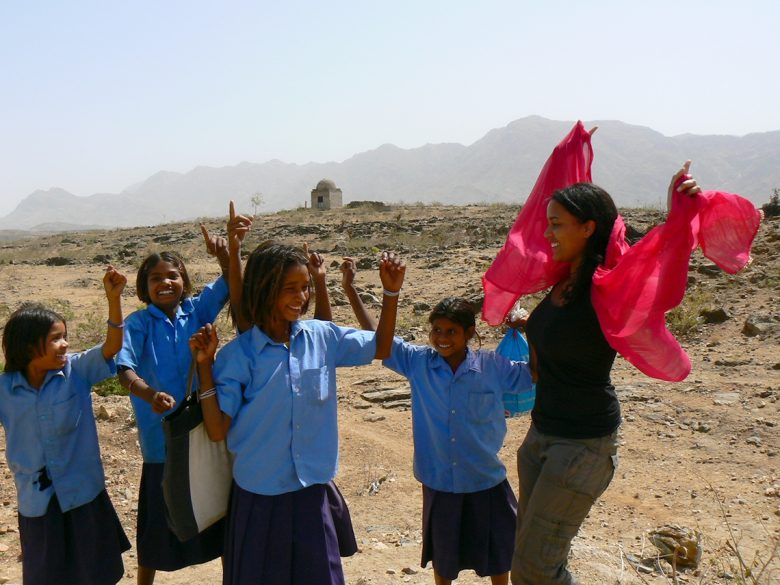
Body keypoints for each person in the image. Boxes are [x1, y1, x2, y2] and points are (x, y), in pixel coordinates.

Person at [481, 122, 759, 584]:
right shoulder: (560, 279)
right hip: (541, 438)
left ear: (588, 228)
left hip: (583, 446)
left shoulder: (609, 287)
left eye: (557, 224)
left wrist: (681, 211)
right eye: (547, 222)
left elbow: (661, 259)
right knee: (535, 559)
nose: (546, 232)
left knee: (533, 569)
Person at [188, 241, 405, 585]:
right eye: (290, 288)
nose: (301, 297)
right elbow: (217, 430)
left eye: (305, 287)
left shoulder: (322, 337)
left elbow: (381, 346)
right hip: (260, 498)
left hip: (311, 494)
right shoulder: (239, 356)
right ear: (263, 288)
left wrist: (390, 294)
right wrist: (204, 367)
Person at [340, 259, 533, 585]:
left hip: (485, 481)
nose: (442, 338)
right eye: (436, 331)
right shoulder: (418, 364)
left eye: (451, 332)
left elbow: (536, 374)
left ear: (469, 333)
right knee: (444, 565)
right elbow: (380, 341)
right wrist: (357, 291)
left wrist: (536, 328)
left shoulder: (493, 367)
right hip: (440, 484)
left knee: (498, 561)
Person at [116, 211, 248, 585]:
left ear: (184, 281)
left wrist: (227, 250)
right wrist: (148, 393)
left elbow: (230, 283)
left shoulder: (196, 310)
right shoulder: (138, 324)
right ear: (144, 287)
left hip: (203, 431)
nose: (165, 283)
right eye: (156, 278)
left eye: (173, 276)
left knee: (217, 512)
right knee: (157, 523)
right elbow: (124, 368)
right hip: (161, 441)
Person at [0, 267, 130, 585]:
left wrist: (114, 300)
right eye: (55, 339)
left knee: (95, 573)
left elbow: (111, 347)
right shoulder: (5, 390)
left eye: (65, 336)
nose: (65, 345)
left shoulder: (77, 371)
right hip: (38, 503)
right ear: (29, 347)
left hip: (84, 494)